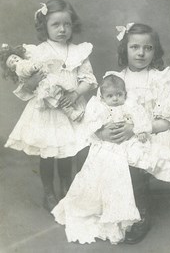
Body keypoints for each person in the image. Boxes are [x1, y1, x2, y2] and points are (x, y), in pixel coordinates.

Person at [97, 23, 170, 244]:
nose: (141, 53)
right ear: (124, 49)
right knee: (97, 147)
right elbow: (100, 109)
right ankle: (112, 206)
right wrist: (107, 130)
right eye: (134, 47)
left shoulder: (162, 79)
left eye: (148, 48)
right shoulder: (116, 78)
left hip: (154, 131)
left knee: (133, 154)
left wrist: (135, 129)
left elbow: (165, 121)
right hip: (121, 131)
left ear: (156, 51)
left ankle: (141, 212)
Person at [2, 0, 97, 212]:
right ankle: (48, 192)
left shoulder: (79, 51)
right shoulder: (36, 52)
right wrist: (36, 82)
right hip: (47, 111)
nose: (62, 29)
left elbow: (89, 80)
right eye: (56, 25)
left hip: (70, 106)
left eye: (67, 24)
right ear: (44, 26)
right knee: (48, 153)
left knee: (68, 150)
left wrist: (75, 93)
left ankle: (66, 187)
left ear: (73, 26)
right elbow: (26, 82)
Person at [52, 74, 155, 245]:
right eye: (110, 96)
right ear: (103, 96)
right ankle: (101, 206)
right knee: (100, 164)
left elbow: (140, 118)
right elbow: (91, 123)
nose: (115, 99)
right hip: (106, 143)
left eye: (119, 95)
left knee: (128, 160)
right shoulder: (99, 106)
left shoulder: (130, 105)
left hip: (127, 142)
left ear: (124, 94)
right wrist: (100, 131)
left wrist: (140, 130)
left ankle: (126, 211)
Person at [1, 44, 85, 121]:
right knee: (57, 97)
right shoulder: (20, 67)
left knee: (60, 89)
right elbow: (26, 70)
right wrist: (33, 67)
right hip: (44, 85)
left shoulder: (26, 60)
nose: (15, 60)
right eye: (12, 62)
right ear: (12, 69)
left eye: (15, 57)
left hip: (47, 79)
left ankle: (71, 102)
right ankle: (71, 113)